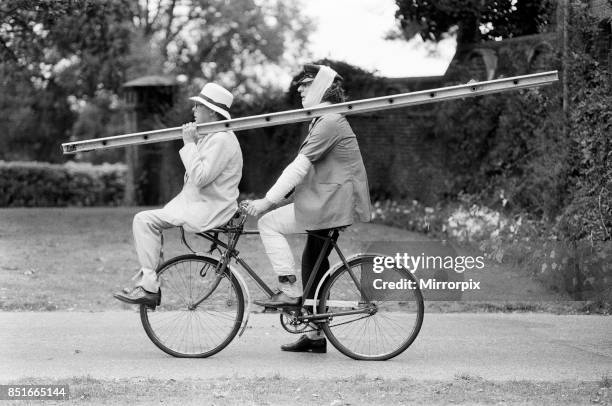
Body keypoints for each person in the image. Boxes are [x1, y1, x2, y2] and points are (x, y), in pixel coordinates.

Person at [244, 64, 372, 353]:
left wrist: (267, 202)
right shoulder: (323, 119)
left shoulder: (329, 121)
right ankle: (315, 336)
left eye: (306, 84)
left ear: (322, 88)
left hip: (330, 204)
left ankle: (289, 292)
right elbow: (305, 169)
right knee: (314, 266)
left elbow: (299, 167)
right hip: (325, 201)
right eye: (300, 85)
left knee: (269, 223)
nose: (299, 89)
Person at [114, 83, 243, 307]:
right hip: (196, 204)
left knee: (144, 220)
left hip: (210, 208)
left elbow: (201, 177)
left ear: (211, 111)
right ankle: (149, 283)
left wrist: (188, 143)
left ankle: (149, 286)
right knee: (145, 221)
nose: (193, 110)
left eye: (198, 106)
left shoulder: (222, 138)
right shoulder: (212, 135)